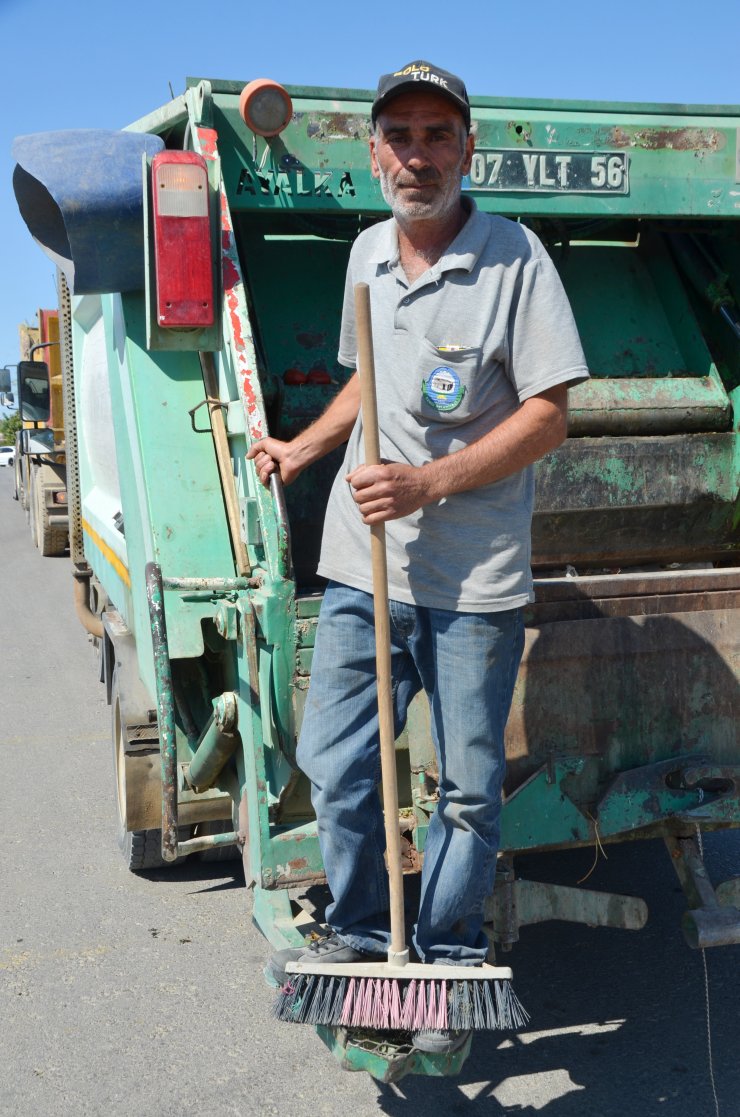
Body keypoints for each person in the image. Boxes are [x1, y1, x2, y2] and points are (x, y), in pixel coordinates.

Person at [247, 60, 589, 1053]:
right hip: (364, 566)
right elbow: (369, 381)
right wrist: (303, 448)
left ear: (466, 149)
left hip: (473, 582)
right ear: (372, 153)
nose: (417, 154)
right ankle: (361, 937)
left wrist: (430, 482)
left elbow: (549, 416)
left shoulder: (515, 259)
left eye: (438, 135)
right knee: (336, 763)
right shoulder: (366, 253)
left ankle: (441, 953)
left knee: (469, 788)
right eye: (398, 135)